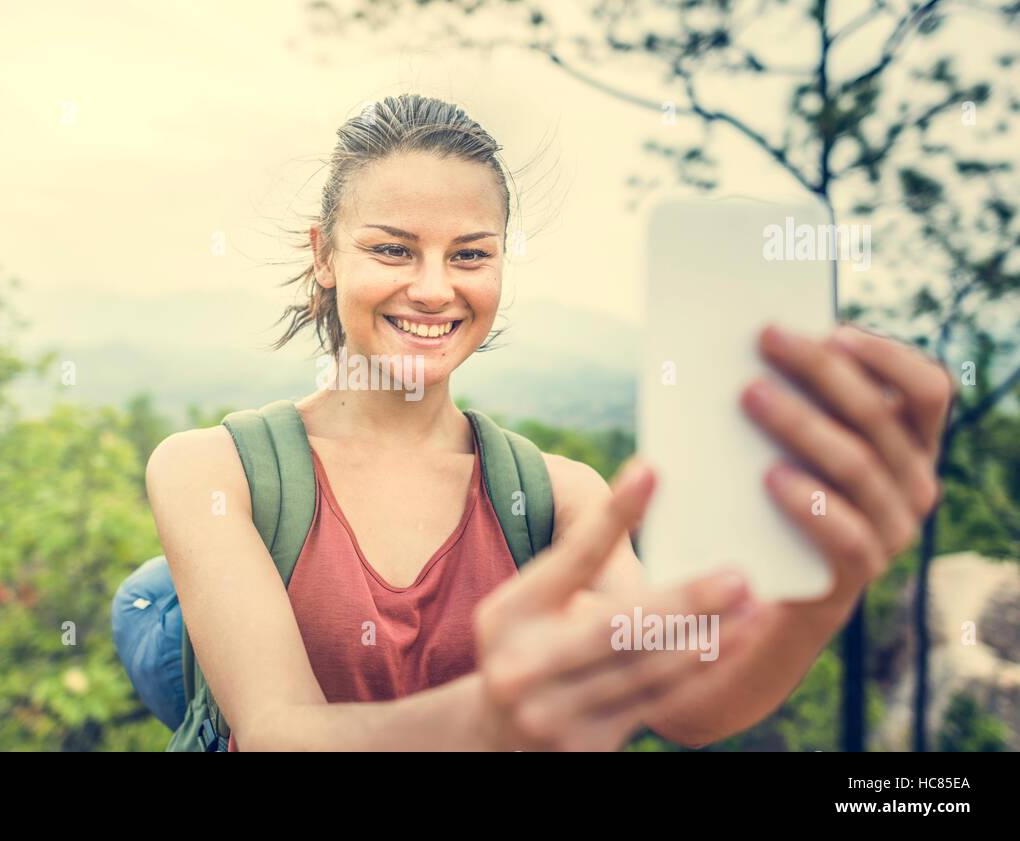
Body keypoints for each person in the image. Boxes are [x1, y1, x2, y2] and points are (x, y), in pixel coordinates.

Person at [145, 93, 953, 751]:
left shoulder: (558, 494)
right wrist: (484, 721)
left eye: (470, 254)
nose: (434, 288)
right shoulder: (212, 471)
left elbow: (690, 704)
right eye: (393, 250)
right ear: (324, 255)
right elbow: (278, 730)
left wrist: (822, 586)